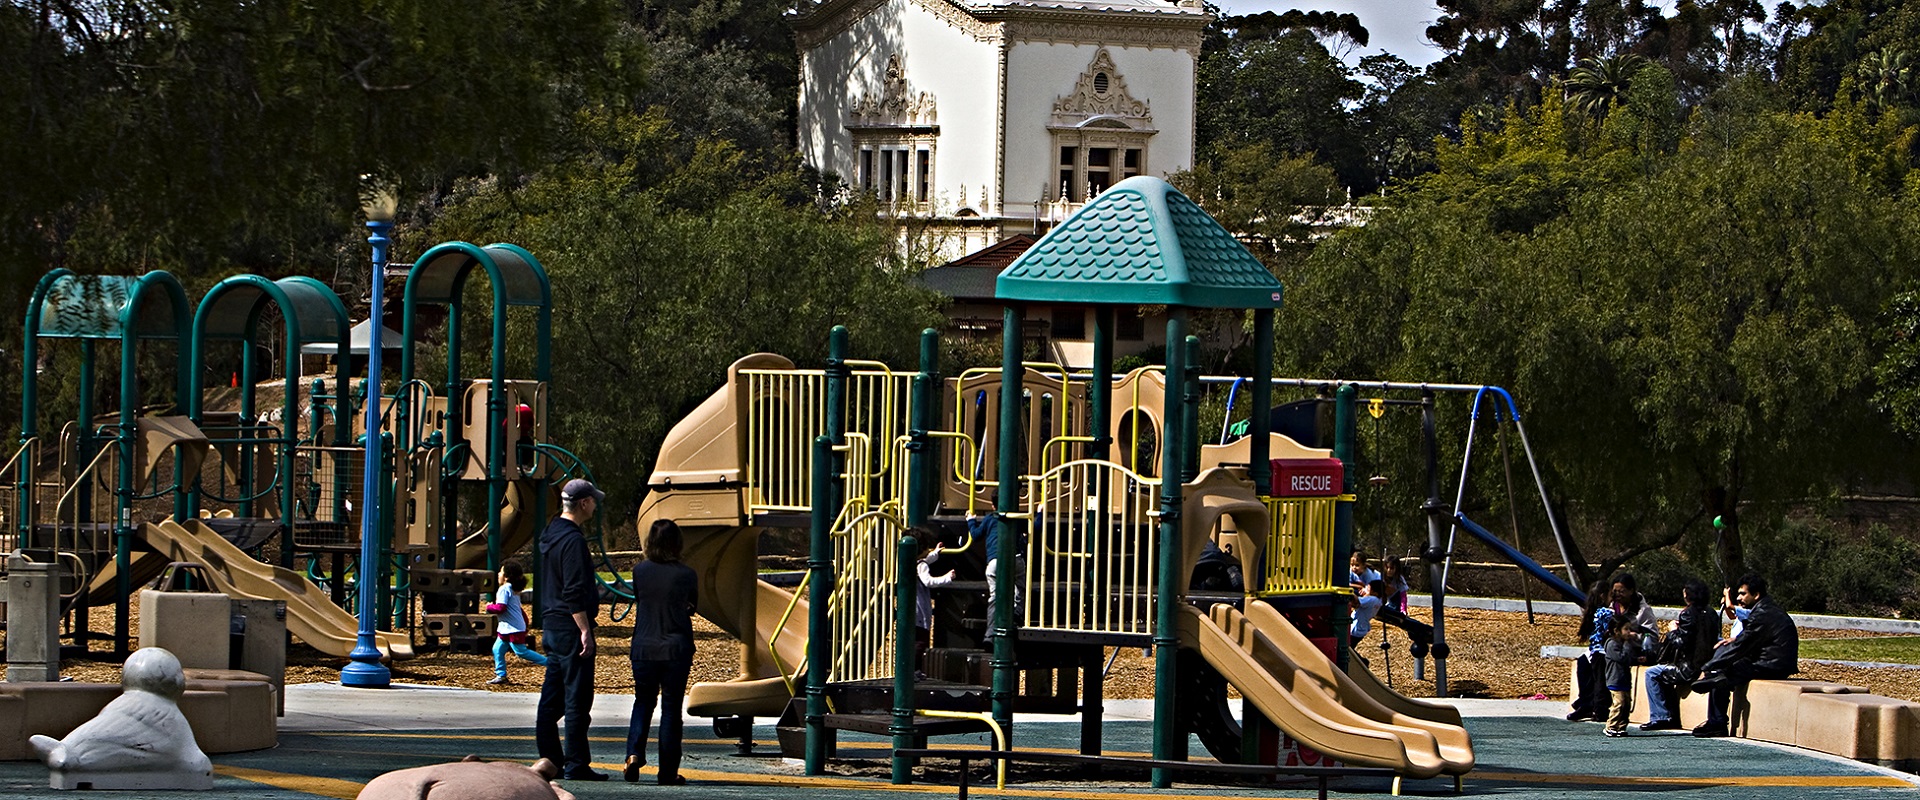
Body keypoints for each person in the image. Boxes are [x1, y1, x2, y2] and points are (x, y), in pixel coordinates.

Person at [535, 478, 606, 781]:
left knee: (552, 699)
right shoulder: (573, 541)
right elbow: (574, 591)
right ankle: (576, 763)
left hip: (552, 623)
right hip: (569, 625)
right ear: (584, 503)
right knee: (577, 699)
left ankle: (551, 758)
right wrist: (585, 630)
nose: (596, 505)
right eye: (593, 500)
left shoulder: (551, 533)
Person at [625, 520, 698, 785]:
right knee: (671, 709)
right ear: (677, 543)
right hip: (675, 647)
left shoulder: (639, 571)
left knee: (643, 701)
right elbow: (692, 605)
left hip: (644, 645)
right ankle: (667, 771)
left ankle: (633, 753)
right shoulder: (686, 574)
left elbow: (638, 598)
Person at [1691, 574, 1798, 738]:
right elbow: (1748, 639)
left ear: (1756, 595)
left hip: (1772, 664)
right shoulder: (1766, 610)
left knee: (1720, 673)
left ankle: (1716, 722)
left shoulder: (1762, 614)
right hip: (1771, 661)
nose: (1739, 598)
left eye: (1743, 594)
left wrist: (1708, 666)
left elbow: (1742, 646)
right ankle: (1716, 715)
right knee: (1721, 670)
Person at [1641, 580, 1719, 731]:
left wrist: (1672, 631)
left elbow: (1682, 643)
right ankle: (1669, 714)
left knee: (1652, 673)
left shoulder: (1688, 614)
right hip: (1707, 663)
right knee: (1662, 675)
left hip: (1688, 667)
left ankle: (1660, 716)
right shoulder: (1711, 613)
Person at [487, 561, 548, 685]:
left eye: (501, 572)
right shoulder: (512, 589)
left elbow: (501, 608)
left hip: (513, 628)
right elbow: (518, 609)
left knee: (521, 652)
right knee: (497, 649)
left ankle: (553, 664)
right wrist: (525, 623)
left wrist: (489, 607)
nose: (498, 574)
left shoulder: (504, 589)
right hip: (506, 627)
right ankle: (501, 675)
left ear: (506, 576)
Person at [1601, 586, 1644, 737]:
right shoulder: (1612, 644)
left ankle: (1621, 726)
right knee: (1618, 703)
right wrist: (1628, 644)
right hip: (1615, 680)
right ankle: (1610, 725)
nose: (1629, 632)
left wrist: (1637, 658)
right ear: (1616, 631)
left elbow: (1628, 658)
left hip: (1625, 679)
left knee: (1626, 704)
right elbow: (1622, 658)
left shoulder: (1624, 644)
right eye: (1626, 629)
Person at [1568, 581, 1613, 721]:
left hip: (1597, 650)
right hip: (1602, 650)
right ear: (1602, 596)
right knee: (1593, 674)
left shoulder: (1592, 612)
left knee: (1590, 668)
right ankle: (1591, 705)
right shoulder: (1606, 613)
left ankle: (1587, 704)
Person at [915, 530, 955, 671]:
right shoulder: (921, 565)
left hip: (910, 611)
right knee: (920, 643)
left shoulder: (908, 559)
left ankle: (912, 670)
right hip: (919, 611)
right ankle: (915, 671)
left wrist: (936, 553)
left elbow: (925, 560)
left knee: (912, 642)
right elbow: (928, 581)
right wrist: (947, 578)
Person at [1349, 579, 1387, 646]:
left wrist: (1349, 591)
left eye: (1367, 589)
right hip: (1361, 629)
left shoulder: (1371, 599)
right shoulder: (1378, 601)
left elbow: (1356, 600)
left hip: (1355, 628)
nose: (1364, 590)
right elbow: (1356, 605)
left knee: (1348, 647)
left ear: (1375, 593)